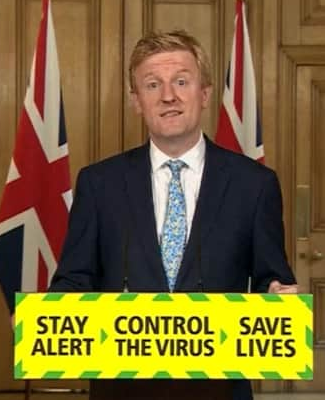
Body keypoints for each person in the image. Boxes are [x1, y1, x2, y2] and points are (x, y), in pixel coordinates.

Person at [50, 29, 299, 400]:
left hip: (219, 388)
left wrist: (279, 298)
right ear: (136, 100)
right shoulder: (99, 183)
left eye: (181, 81)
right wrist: (45, 317)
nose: (168, 95)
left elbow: (271, 280)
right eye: (152, 85)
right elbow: (74, 280)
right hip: (123, 388)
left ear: (204, 93)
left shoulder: (255, 185)